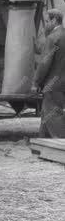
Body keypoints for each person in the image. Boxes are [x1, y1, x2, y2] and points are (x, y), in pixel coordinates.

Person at [33, 8, 65, 138]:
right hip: (62, 82)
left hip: (53, 84)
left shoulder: (52, 38)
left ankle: (61, 144)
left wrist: (36, 82)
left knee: (53, 114)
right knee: (46, 113)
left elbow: (44, 63)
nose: (45, 24)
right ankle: (42, 144)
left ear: (54, 20)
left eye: (47, 21)